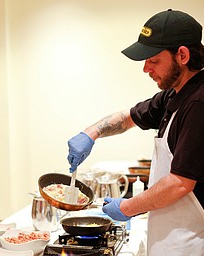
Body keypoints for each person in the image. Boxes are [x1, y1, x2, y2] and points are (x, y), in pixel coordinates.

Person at [67, 9, 204, 256]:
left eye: (153, 60)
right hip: (171, 235)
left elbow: (179, 184)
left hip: (192, 242)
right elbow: (129, 117)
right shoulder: (174, 94)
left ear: (182, 55)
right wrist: (91, 133)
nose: (145, 69)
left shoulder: (198, 104)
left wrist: (129, 206)